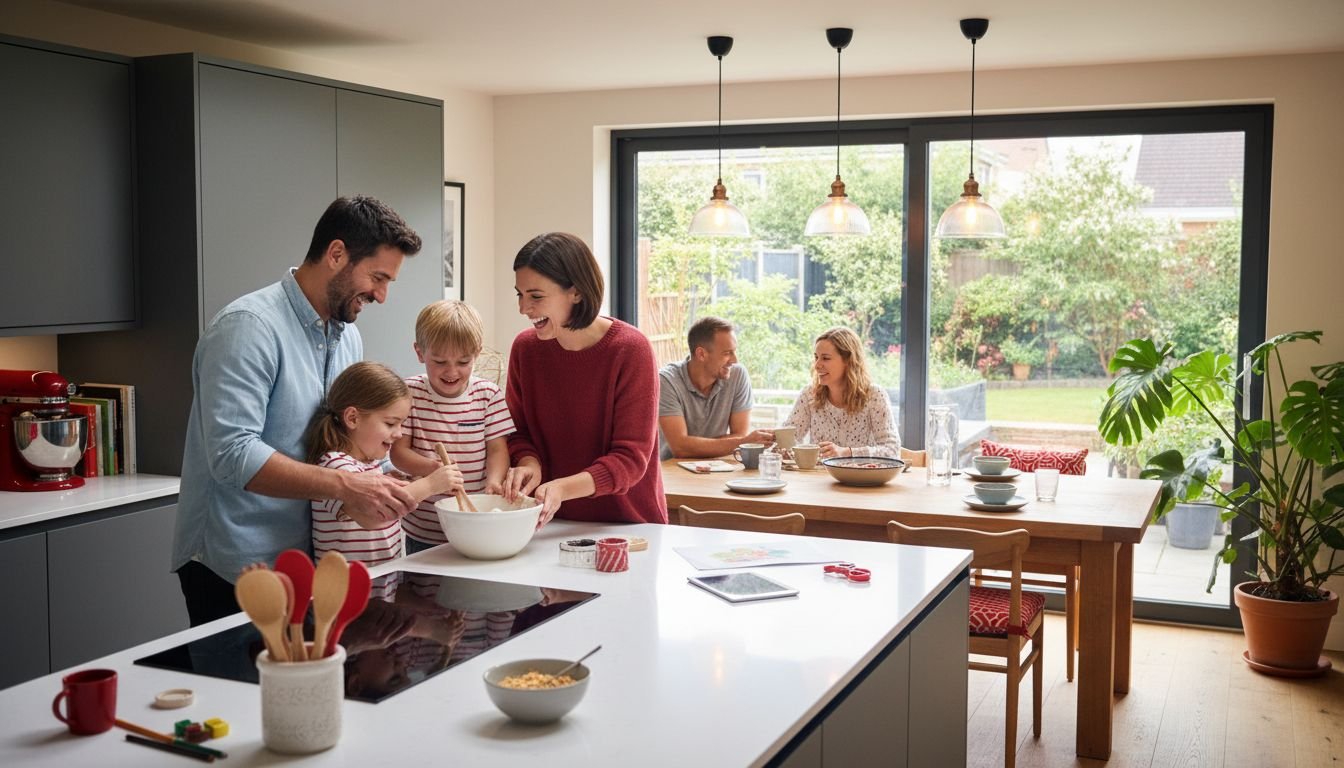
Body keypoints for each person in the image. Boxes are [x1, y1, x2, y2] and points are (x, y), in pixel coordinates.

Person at [172, 195, 423, 626]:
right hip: (237, 566)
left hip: (309, 565)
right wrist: (347, 485)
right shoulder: (247, 328)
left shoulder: (347, 338)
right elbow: (232, 454)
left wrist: (387, 481)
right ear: (336, 254)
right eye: (378, 277)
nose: (382, 296)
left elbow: (349, 440)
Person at [500, 232, 665, 525]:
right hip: (551, 523)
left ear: (576, 292)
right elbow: (518, 432)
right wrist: (529, 463)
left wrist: (562, 489)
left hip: (628, 526)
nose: (523, 308)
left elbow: (630, 459)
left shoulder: (630, 349)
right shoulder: (525, 349)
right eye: (519, 294)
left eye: (536, 296)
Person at [304, 362, 462, 566]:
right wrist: (431, 484)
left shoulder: (373, 464)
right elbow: (373, 515)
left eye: (401, 424)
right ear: (353, 418)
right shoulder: (334, 466)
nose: (399, 434)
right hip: (345, 584)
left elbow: (388, 497)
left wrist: (414, 480)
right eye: (390, 423)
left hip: (383, 580)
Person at [390, 300, 516, 553]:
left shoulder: (488, 395)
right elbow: (398, 452)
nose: (451, 372)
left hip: (475, 523)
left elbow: (497, 449)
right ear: (419, 352)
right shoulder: (409, 394)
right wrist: (434, 470)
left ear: (477, 353)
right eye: (439, 361)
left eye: (463, 362)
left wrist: (494, 481)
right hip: (424, 528)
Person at [658, 316, 774, 460]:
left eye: (734, 351)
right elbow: (680, 448)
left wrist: (696, 445)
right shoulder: (667, 381)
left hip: (719, 465)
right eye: (727, 353)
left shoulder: (737, 375)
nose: (735, 360)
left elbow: (740, 434)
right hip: (673, 469)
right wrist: (742, 442)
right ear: (701, 354)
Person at [784, 327, 901, 460]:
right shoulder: (809, 394)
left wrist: (846, 452)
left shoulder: (874, 395)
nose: (817, 365)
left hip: (861, 473)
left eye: (825, 358)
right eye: (816, 357)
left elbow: (892, 450)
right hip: (818, 474)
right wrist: (776, 443)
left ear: (848, 360)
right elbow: (789, 441)